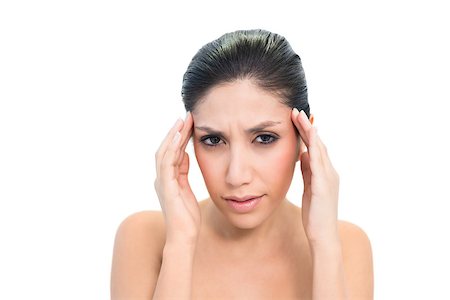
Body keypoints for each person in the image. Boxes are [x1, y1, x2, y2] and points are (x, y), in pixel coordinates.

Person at [110, 29, 373, 299]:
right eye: (213, 140)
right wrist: (180, 244)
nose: (236, 176)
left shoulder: (345, 244)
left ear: (304, 138)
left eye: (264, 138)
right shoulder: (143, 237)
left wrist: (324, 245)